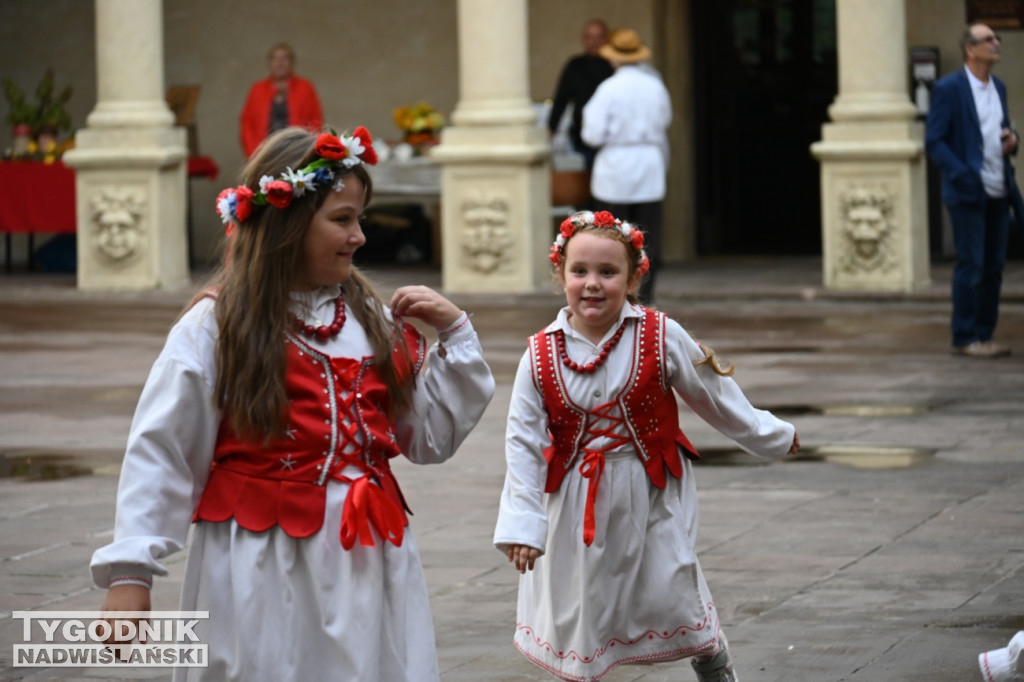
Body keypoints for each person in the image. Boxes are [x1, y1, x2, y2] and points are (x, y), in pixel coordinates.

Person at [90, 125, 495, 681]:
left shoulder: (372, 320)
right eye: (342, 219)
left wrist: (458, 337)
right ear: (287, 222)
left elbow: (425, 439)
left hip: (365, 556)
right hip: (260, 558)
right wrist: (130, 572)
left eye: (360, 219)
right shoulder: (217, 324)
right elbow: (163, 449)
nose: (358, 237)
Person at [493, 210, 800, 682]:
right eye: (580, 272)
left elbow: (714, 396)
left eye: (608, 272)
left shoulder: (659, 334)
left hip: (651, 486)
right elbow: (523, 442)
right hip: (577, 495)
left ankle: (709, 652)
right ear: (561, 274)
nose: (592, 284)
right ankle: (580, 672)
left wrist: (772, 435)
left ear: (635, 276)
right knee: (581, 591)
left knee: (671, 576)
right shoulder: (538, 353)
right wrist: (523, 523)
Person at [925, 23, 1024, 358]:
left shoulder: (999, 86)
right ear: (970, 48)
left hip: (999, 188)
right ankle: (964, 337)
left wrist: (1012, 140)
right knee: (972, 265)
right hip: (968, 191)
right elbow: (934, 140)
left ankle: (985, 334)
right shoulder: (949, 88)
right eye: (988, 40)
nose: (997, 44)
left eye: (997, 38)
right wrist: (961, 173)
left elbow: (1000, 129)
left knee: (995, 265)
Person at [581, 28, 671, 306]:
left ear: (614, 58)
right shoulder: (655, 86)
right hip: (647, 163)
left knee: (612, 235)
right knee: (647, 236)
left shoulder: (608, 89)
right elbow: (665, 120)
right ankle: (645, 296)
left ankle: (614, 294)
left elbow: (591, 134)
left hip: (616, 166)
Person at [547, 19, 614, 169]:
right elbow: (561, 99)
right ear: (583, 39)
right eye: (589, 37)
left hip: (613, 140)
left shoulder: (615, 66)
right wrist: (551, 128)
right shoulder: (575, 66)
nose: (594, 42)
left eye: (598, 37)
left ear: (607, 39)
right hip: (583, 137)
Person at [239, 43, 323, 158]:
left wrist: (307, 150)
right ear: (270, 63)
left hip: (297, 151)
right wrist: (253, 152)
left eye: (284, 58)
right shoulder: (257, 89)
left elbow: (316, 121)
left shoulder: (305, 88)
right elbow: (247, 124)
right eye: (275, 58)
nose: (280, 62)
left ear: (292, 63)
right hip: (263, 152)